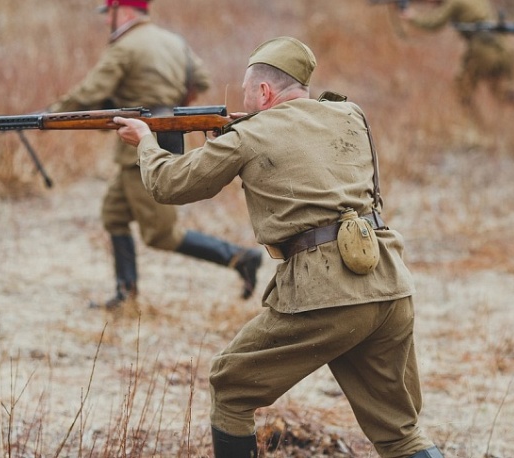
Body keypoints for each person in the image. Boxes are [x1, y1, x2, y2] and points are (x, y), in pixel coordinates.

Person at [114, 36, 444, 458]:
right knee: (400, 432)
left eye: (247, 91)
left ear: (265, 91)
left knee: (230, 389)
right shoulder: (349, 113)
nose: (244, 101)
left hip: (326, 291)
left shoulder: (251, 133)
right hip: (388, 283)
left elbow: (169, 184)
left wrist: (145, 141)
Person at [47, 0, 262, 308]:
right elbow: (201, 79)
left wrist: (51, 115)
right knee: (114, 214)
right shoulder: (173, 41)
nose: (106, 19)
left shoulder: (124, 47)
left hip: (143, 147)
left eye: (108, 12)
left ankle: (240, 258)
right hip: (153, 141)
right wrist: (170, 108)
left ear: (124, 10)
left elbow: (90, 92)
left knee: (162, 234)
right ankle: (125, 296)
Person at [399, 0, 514, 126]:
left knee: (462, 90)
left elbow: (434, 23)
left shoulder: (454, 3)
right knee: (503, 93)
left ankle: (477, 129)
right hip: (501, 47)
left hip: (483, 50)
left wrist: (412, 17)